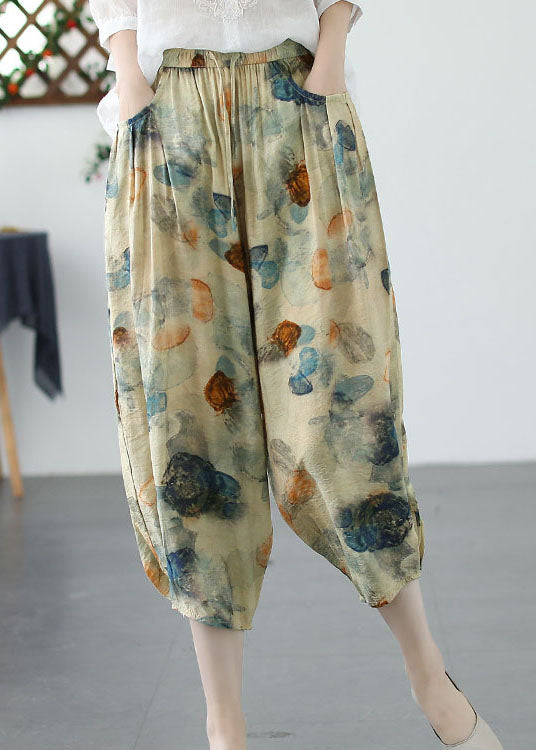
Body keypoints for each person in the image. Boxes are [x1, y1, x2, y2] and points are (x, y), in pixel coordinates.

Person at [88, 2, 503, 748]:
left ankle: (428, 675)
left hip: (298, 101)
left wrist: (332, 47)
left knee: (343, 414)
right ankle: (225, 723)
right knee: (191, 430)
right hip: (167, 117)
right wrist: (127, 73)